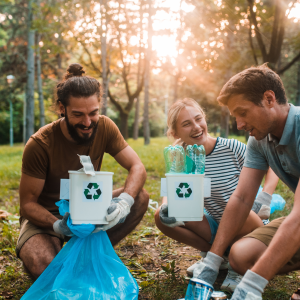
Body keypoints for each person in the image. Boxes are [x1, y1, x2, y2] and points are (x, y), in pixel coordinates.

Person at [16, 63, 149, 279]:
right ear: (62, 108)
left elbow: (137, 167)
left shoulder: (105, 127)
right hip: (47, 220)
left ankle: (87, 254)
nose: (87, 123)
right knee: (45, 267)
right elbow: (28, 204)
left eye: (93, 113)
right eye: (78, 115)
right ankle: (57, 252)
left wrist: (124, 203)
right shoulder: (40, 144)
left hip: (89, 209)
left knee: (140, 197)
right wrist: (59, 225)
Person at [192, 63, 300, 300]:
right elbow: (241, 199)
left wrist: (252, 284)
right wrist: (212, 260)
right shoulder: (259, 140)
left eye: (243, 112)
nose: (239, 124)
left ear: (269, 98)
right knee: (240, 256)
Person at [154, 98, 279, 291]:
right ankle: (217, 257)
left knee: (236, 208)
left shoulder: (231, 148)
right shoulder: (181, 157)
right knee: (161, 217)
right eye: (186, 124)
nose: (196, 127)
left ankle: (236, 265)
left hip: (248, 225)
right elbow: (173, 188)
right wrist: (166, 206)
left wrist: (265, 196)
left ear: (204, 119)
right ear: (175, 133)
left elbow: (270, 166)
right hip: (216, 226)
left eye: (198, 119)